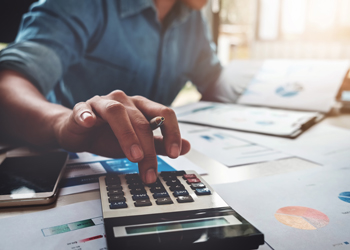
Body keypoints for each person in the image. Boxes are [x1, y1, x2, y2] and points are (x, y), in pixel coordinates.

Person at [0, 0, 240, 184]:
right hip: (59, 166)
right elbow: (8, 82)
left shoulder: (192, 19)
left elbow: (215, 82)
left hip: (139, 169)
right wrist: (61, 123)